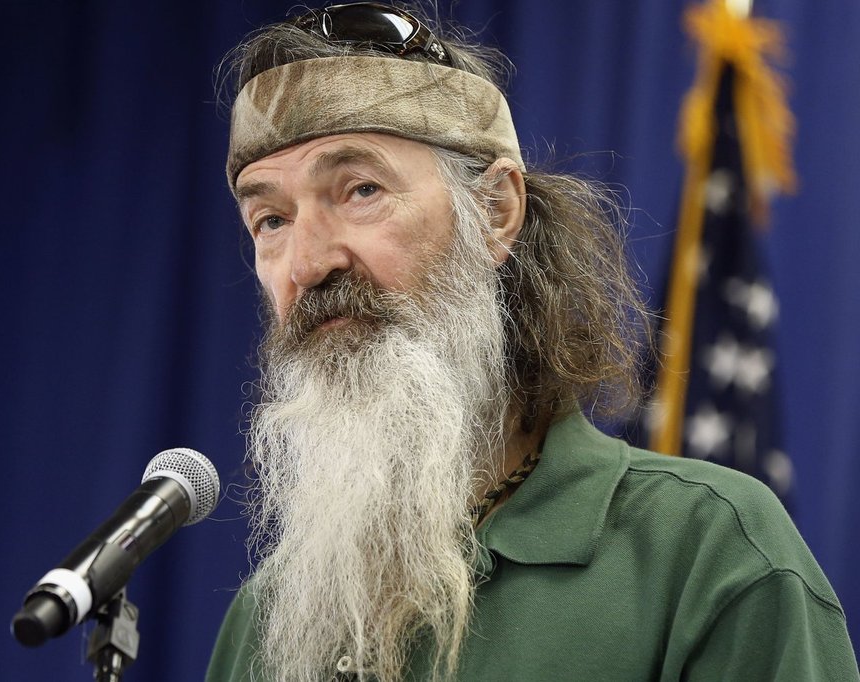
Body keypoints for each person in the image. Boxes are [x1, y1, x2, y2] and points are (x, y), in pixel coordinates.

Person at [206, 3, 859, 680]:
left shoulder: (709, 552)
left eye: (361, 189)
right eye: (271, 220)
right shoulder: (268, 620)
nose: (307, 263)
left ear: (495, 213)